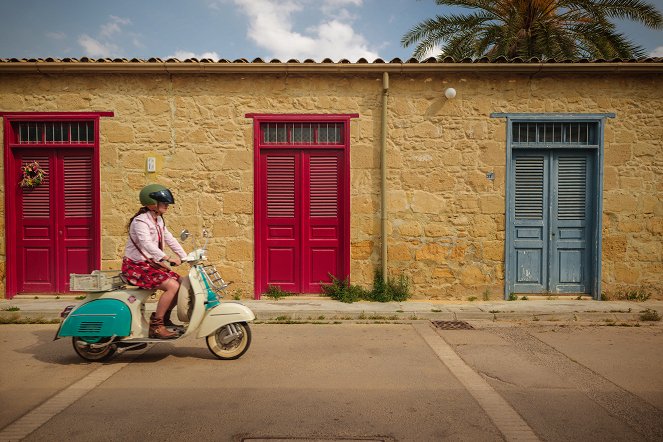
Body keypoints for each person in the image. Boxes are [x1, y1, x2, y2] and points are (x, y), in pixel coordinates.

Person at [121, 184, 188, 339]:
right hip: (135, 267)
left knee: (181, 282)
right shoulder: (140, 221)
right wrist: (167, 258)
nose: (167, 206)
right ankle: (156, 327)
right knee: (172, 286)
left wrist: (185, 256)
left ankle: (163, 318)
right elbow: (146, 244)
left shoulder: (158, 220)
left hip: (149, 265)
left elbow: (169, 238)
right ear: (152, 203)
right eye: (164, 203)